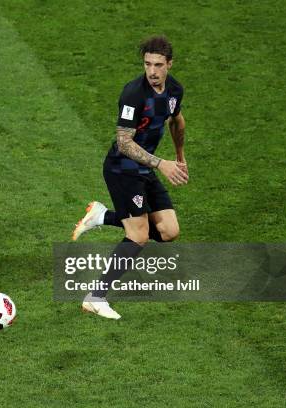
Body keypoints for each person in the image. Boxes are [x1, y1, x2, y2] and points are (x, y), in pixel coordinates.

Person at [72, 35, 187, 319]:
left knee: (169, 232)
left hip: (145, 167)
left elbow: (176, 120)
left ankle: (102, 216)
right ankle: (95, 296)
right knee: (138, 236)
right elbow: (123, 142)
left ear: (169, 64)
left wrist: (180, 157)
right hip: (122, 169)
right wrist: (162, 163)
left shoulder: (174, 90)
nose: (152, 71)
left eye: (158, 64)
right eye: (147, 64)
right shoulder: (134, 94)